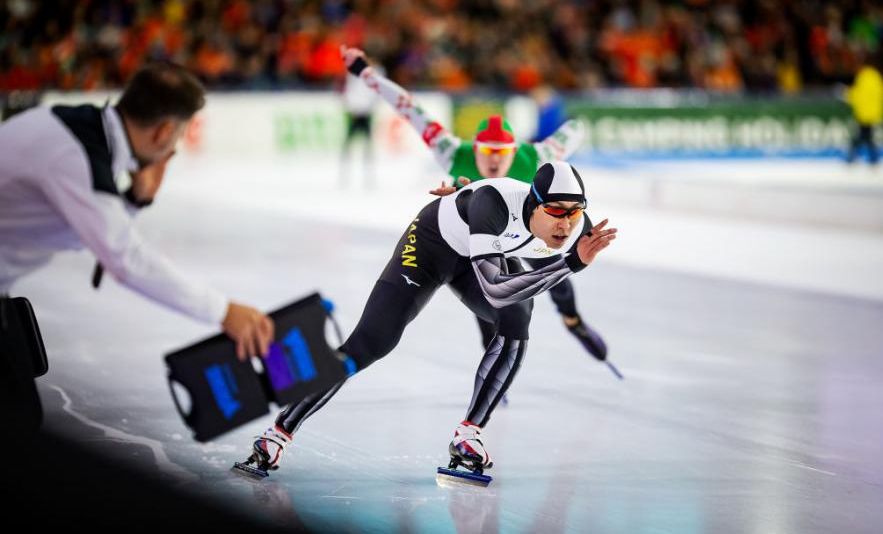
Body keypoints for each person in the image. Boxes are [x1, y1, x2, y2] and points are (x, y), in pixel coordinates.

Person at [239, 160, 617, 478]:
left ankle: (469, 434)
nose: (565, 225)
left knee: (519, 317)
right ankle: (278, 434)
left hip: (479, 254)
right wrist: (570, 264)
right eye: (555, 212)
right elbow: (497, 289)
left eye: (574, 212)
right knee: (373, 342)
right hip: (431, 246)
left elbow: (544, 279)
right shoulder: (493, 204)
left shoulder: (575, 227)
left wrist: (571, 300)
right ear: (534, 204)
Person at [0, 62, 275, 428]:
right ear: (163, 133)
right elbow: (124, 258)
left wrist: (136, 199)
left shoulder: (80, 129)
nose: (174, 147)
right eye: (177, 137)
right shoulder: (76, 156)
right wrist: (223, 311)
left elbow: (81, 232)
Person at [337, 46, 614, 371]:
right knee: (490, 286)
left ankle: (573, 321)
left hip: (524, 231)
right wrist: (366, 74)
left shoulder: (538, 157)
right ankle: (493, 354)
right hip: (478, 235)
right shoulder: (452, 151)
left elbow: (576, 128)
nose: (494, 160)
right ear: (474, 147)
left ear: (515, 150)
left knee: (557, 273)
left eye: (502, 153)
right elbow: (410, 109)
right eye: (486, 151)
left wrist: (553, 104)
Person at [846, 58, 883, 165]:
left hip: (864, 112)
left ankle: (855, 156)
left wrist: (847, 94)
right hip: (873, 113)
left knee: (863, 135)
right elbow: (881, 95)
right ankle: (872, 157)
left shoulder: (863, 76)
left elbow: (858, 95)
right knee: (866, 135)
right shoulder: (876, 76)